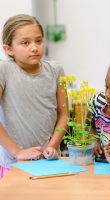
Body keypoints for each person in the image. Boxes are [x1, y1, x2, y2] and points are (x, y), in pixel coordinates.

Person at [0, 14, 68, 179]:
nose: (34, 47)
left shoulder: (56, 70)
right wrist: (17, 152)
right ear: (8, 49)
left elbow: (64, 113)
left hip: (49, 162)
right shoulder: (4, 70)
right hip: (13, 164)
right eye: (25, 43)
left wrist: (53, 145)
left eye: (38, 41)